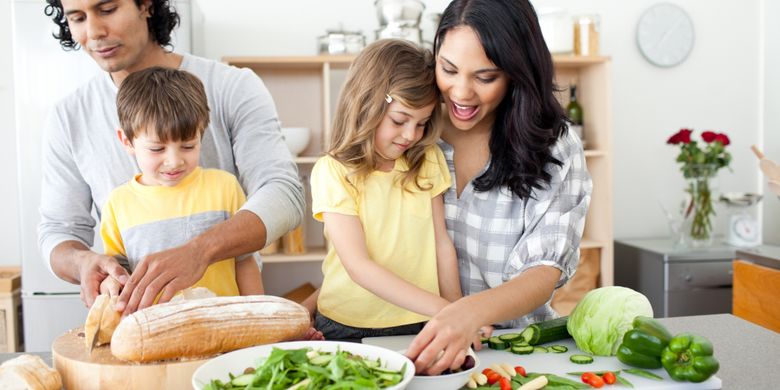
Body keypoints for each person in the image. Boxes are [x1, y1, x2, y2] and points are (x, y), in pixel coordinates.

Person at [39, 0, 303, 313]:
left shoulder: (232, 86)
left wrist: (200, 251)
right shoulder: (68, 117)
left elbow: (284, 193)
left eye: (107, 10)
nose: (94, 32)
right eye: (78, 18)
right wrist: (82, 262)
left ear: (146, 5)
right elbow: (59, 230)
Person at [405, 0, 593, 374]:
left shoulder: (554, 146)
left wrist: (467, 314)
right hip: (411, 345)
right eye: (448, 69)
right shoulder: (410, 131)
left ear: (517, 72)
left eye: (485, 77)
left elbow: (542, 272)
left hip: (516, 353)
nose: (461, 93)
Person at [308, 39, 462, 339]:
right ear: (366, 106)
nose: (410, 135)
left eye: (422, 123)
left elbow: (442, 245)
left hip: (421, 320)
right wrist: (446, 310)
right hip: (347, 325)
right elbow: (359, 267)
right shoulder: (333, 171)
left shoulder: (426, 159)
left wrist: (458, 310)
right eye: (400, 120)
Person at [97, 66, 262, 299]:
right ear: (127, 140)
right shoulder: (118, 204)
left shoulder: (225, 188)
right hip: (156, 331)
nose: (174, 162)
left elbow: (245, 263)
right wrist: (109, 286)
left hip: (226, 328)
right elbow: (118, 277)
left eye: (188, 146)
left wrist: (258, 319)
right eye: (157, 148)